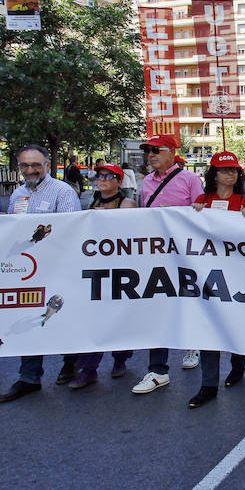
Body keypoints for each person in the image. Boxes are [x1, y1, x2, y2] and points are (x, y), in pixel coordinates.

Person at [0, 145, 82, 402]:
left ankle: (71, 364)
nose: (30, 170)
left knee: (63, 315)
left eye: (35, 164)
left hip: (60, 268)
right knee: (29, 316)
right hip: (28, 271)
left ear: (47, 165)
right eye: (24, 165)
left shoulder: (63, 192)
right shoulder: (18, 195)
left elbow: (73, 231)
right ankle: (29, 377)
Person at [131, 135, 205, 395]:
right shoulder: (147, 182)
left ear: (172, 153)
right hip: (157, 255)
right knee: (159, 306)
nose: (150, 155)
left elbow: (203, 214)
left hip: (185, 254)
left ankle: (192, 344)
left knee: (187, 301)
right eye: (147, 151)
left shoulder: (190, 180)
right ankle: (158, 369)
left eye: (155, 150)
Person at [187, 151, 245, 408]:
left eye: (234, 170)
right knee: (209, 329)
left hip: (237, 274)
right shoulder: (202, 200)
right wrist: (194, 213)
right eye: (225, 170)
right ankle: (208, 385)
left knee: (237, 324)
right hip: (208, 276)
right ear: (213, 174)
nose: (231, 174)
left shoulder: (243, 202)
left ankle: (238, 366)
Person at [69, 163, 137, 390]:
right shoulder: (89, 201)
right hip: (95, 267)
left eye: (109, 176)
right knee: (93, 318)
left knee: (120, 317)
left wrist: (106, 216)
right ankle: (88, 369)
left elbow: (129, 230)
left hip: (121, 268)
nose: (102, 179)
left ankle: (120, 359)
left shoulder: (127, 203)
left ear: (119, 181)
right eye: (99, 176)